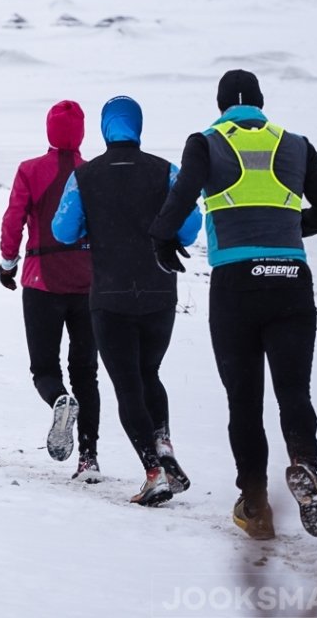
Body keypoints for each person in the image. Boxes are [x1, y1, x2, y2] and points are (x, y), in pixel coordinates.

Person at [150, 70, 317, 540]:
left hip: (236, 284)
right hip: (291, 279)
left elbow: (180, 199)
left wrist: (161, 239)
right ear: (261, 103)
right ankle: (304, 463)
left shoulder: (206, 142)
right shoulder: (295, 143)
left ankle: (255, 503)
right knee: (294, 391)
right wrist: (290, 230)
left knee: (244, 400)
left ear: (221, 106)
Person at [51, 96, 203, 505]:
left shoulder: (85, 177)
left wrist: (91, 228)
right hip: (158, 289)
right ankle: (164, 444)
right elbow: (191, 226)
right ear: (138, 126)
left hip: (111, 293)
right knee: (149, 372)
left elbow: (63, 230)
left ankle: (153, 472)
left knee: (127, 385)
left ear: (105, 129)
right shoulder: (166, 170)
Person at [0, 100, 101, 476]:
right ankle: (89, 459)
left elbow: (14, 218)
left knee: (44, 367)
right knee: (86, 371)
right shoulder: (93, 173)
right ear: (82, 134)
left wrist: (7, 263)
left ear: (49, 131)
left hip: (42, 280)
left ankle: (59, 400)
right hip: (87, 283)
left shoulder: (30, 170)